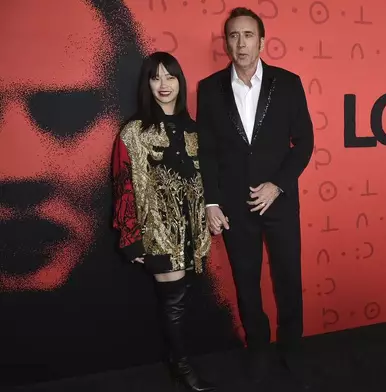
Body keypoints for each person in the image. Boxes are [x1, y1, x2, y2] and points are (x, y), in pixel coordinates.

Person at [195, 6, 314, 384]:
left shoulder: (289, 82)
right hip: (233, 206)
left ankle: (292, 349)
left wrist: (277, 184)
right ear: (226, 42)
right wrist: (211, 201)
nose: (240, 43)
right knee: (246, 281)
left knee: (287, 279)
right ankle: (258, 348)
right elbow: (207, 151)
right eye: (233, 35)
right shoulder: (209, 88)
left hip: (278, 200)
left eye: (248, 35)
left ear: (262, 41)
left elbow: (305, 142)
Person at [112, 51, 217, 391]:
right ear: (147, 83)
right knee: (173, 302)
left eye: (169, 77)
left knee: (184, 299)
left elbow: (208, 179)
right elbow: (123, 184)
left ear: (179, 81)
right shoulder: (134, 132)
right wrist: (131, 237)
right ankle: (183, 369)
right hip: (157, 232)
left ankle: (175, 360)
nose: (163, 85)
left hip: (193, 231)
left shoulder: (195, 129)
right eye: (155, 77)